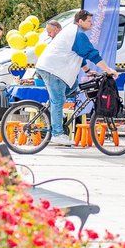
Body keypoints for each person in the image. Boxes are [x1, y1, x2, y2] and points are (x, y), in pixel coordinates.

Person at [35, 9, 118, 147]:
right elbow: (92, 54)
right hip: (52, 70)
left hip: (58, 71)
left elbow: (79, 55)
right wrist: (108, 70)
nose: (91, 24)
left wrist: (88, 71)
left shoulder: (74, 32)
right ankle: (57, 133)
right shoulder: (78, 34)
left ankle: (53, 109)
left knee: (74, 88)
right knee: (58, 100)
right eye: (89, 21)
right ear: (80, 21)